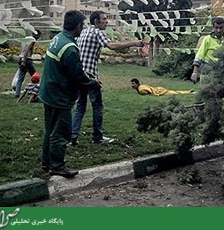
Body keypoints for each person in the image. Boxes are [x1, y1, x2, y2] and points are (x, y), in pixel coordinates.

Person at [39, 10, 101, 178]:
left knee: (49, 129)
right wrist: (92, 83)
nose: (84, 28)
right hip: (59, 96)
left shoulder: (58, 38)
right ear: (78, 26)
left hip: (48, 92)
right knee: (61, 132)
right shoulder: (70, 48)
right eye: (83, 25)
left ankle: (46, 163)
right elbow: (78, 75)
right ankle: (57, 166)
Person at [71, 10, 144, 145]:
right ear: (96, 21)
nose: (107, 21)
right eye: (104, 19)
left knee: (80, 106)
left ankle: (73, 137)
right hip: (91, 76)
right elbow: (112, 46)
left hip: (80, 75)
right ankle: (97, 138)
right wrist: (133, 43)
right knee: (97, 106)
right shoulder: (98, 32)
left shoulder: (84, 32)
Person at [190, 17, 224, 83]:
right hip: (207, 71)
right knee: (207, 91)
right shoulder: (207, 39)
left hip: (221, 72)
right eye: (216, 27)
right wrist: (195, 72)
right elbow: (199, 56)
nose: (218, 30)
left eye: (221, 28)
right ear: (213, 28)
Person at [15, 30, 41, 98]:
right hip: (27, 59)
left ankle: (17, 93)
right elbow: (27, 50)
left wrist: (21, 59)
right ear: (37, 35)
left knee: (20, 77)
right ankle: (36, 93)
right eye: (39, 36)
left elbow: (22, 50)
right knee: (35, 76)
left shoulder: (26, 38)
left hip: (20, 58)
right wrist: (24, 60)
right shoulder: (32, 40)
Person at [130, 78, 194, 96]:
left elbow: (148, 92)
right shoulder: (140, 86)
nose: (132, 85)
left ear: (137, 83)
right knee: (175, 92)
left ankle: (190, 92)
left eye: (133, 84)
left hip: (160, 92)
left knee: (175, 93)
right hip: (159, 89)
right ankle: (189, 91)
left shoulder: (141, 89)